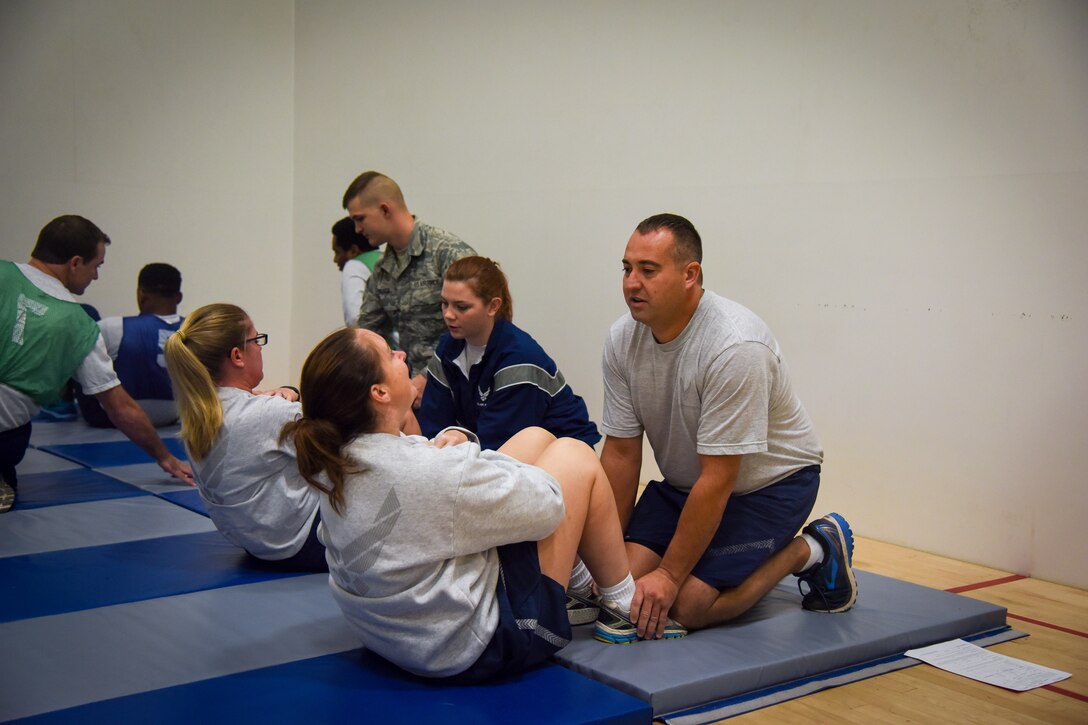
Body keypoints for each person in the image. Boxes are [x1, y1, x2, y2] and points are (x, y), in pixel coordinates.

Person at [284, 327, 681, 683]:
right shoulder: (424, 471)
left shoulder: (338, 458)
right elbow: (548, 505)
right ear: (380, 393)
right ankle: (621, 606)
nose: (402, 357)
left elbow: (427, 471)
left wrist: (463, 448)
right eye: (390, 354)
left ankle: (578, 589)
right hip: (471, 646)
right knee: (575, 456)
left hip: (395, 634)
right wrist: (469, 462)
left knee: (534, 436)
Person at [599, 213, 857, 640]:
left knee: (688, 605)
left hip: (769, 488)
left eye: (648, 270)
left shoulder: (735, 345)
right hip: (688, 486)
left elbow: (719, 479)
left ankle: (812, 548)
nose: (631, 283)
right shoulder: (621, 339)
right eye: (627, 269)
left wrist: (669, 574)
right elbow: (622, 454)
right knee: (618, 584)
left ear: (689, 274)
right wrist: (601, 558)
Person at [0, 215, 193, 513]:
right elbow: (120, 407)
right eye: (97, 266)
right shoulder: (80, 324)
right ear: (75, 263)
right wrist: (166, 457)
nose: (96, 277)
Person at [163, 303, 325, 571]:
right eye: (257, 340)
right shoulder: (265, 414)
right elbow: (349, 433)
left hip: (259, 545)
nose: (261, 347)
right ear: (237, 356)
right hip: (304, 545)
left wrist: (290, 392)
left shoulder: (201, 413)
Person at [418, 255, 600, 451]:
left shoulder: (520, 358)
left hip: (565, 454)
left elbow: (500, 444)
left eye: (462, 307)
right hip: (497, 450)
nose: (448, 314)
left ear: (493, 306)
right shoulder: (447, 348)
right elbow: (433, 425)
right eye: (445, 303)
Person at [342, 171, 476, 407]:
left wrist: (430, 374)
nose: (357, 230)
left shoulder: (447, 253)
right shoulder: (383, 271)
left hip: (462, 393)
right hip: (415, 398)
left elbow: (481, 327)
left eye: (360, 219)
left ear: (385, 209)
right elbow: (367, 335)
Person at [78, 263, 184, 428]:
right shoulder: (195, 331)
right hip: (173, 415)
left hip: (113, 417)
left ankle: (62, 405)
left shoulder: (112, 326)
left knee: (82, 336)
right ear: (179, 297)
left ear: (141, 295)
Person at [331, 217, 382, 327]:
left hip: (379, 342)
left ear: (353, 250)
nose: (335, 259)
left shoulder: (354, 266)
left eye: (337, 252)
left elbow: (355, 319)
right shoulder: (388, 260)